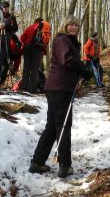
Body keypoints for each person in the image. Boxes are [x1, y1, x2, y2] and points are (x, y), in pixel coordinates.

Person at [29, 15, 92, 178]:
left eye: (76, 25)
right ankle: (65, 165)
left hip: (58, 87)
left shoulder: (67, 41)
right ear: (64, 26)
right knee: (63, 125)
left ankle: (37, 162)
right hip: (60, 88)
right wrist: (82, 69)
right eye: (70, 24)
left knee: (52, 126)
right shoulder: (63, 39)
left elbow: (69, 60)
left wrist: (81, 71)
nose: (74, 27)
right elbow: (66, 59)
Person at [0, 1, 19, 87]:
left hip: (6, 43)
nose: (5, 9)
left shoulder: (11, 17)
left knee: (6, 65)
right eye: (3, 7)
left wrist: (6, 26)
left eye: (6, 7)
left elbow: (15, 29)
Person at [20, 18, 51, 93]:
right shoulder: (45, 29)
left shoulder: (31, 27)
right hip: (38, 49)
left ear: (35, 21)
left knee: (26, 68)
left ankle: (24, 87)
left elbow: (22, 37)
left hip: (28, 48)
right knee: (35, 69)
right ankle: (32, 89)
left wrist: (26, 43)